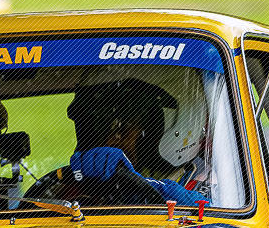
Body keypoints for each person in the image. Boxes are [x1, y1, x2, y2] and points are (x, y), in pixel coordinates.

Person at [64, 79, 204, 206]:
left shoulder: (199, 180)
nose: (114, 139)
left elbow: (206, 211)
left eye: (123, 129)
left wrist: (141, 187)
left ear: (153, 133)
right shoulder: (77, 184)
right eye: (104, 129)